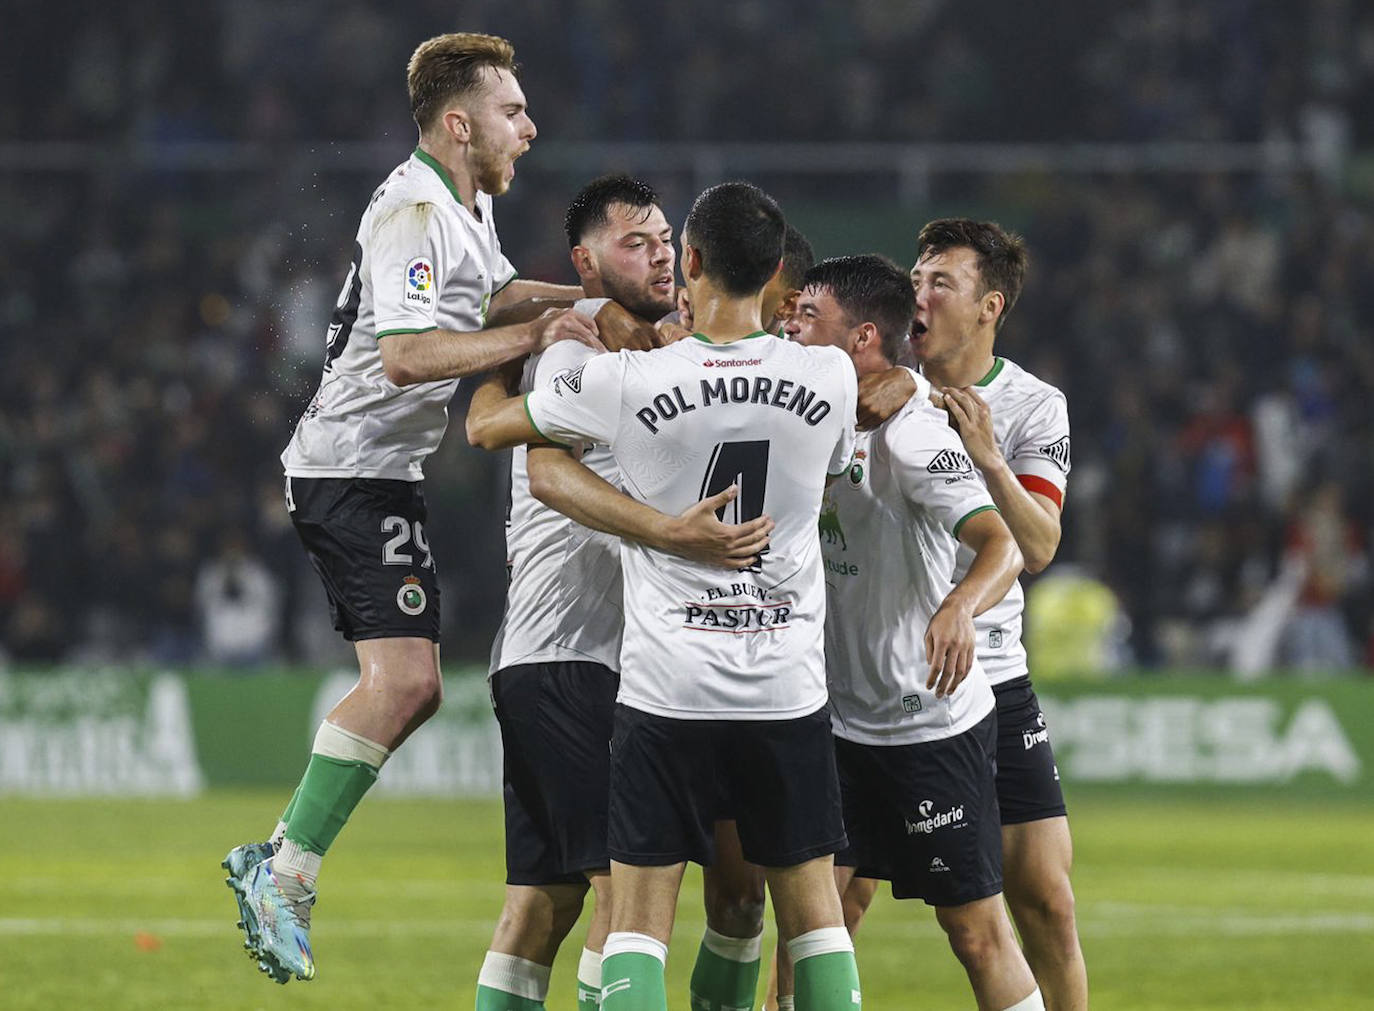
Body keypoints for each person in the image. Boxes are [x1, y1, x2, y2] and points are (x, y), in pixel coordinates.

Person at [220, 32, 616, 985]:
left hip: (379, 473)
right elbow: (406, 355)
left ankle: (282, 863)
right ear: (459, 121)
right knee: (404, 684)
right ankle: (282, 868)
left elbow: (499, 295)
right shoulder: (410, 211)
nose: (530, 126)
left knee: (418, 683)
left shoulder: (460, 208)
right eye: (513, 110)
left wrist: (606, 305)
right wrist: (541, 327)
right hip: (349, 469)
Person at [470, 181, 863, 1011]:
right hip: (781, 686)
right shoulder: (829, 374)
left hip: (665, 689)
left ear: (689, 262)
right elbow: (832, 464)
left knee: (627, 922)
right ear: (777, 276)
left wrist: (499, 352)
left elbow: (497, 433)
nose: (657, 256)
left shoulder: (634, 383)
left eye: (665, 242)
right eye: (635, 242)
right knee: (815, 921)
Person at [783, 253, 1042, 1011]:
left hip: (926, 728)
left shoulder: (916, 439)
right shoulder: (809, 413)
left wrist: (960, 605)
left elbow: (1006, 543)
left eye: (808, 319)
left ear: (862, 338)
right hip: (834, 725)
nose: (789, 329)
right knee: (813, 928)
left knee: (977, 935)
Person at [849, 219, 1086, 1010]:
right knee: (834, 904)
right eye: (916, 278)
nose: (919, 293)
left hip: (993, 669)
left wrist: (988, 456)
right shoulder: (877, 381)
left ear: (990, 306)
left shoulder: (1031, 405)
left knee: (1046, 897)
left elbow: (1040, 543)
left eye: (939, 282)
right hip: (885, 680)